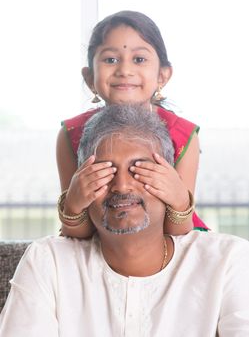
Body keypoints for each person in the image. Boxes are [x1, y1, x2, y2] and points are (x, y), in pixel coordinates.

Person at [1, 105, 249, 337]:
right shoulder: (48, 261)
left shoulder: (227, 260)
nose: (121, 185)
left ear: (169, 181)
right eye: (104, 171)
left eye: (139, 169)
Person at [56, 10, 208, 239]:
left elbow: (179, 234)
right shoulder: (71, 134)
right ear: (89, 78)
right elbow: (77, 236)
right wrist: (75, 205)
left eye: (139, 59)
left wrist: (178, 199)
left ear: (163, 75)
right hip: (100, 249)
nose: (125, 70)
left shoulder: (183, 135)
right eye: (110, 60)